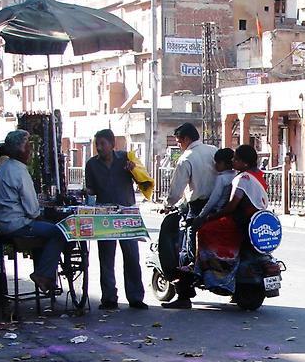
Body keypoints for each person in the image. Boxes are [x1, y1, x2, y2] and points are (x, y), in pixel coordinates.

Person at [193, 144, 269, 302]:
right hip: (255, 220)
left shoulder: (242, 178)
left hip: (239, 221)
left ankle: (210, 270)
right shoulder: (258, 174)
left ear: (244, 163)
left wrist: (207, 218)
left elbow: (231, 207)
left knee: (205, 230)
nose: (232, 161)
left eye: (236, 159)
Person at [0, 129, 65, 294]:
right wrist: (40, 214)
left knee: (45, 230)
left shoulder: (4, 168)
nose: (30, 151)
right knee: (60, 232)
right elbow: (32, 209)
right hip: (16, 225)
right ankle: (43, 275)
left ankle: (45, 276)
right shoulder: (19, 171)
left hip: (3, 223)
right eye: (27, 146)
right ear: (19, 149)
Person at [85, 128, 148, 310]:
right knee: (106, 257)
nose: (99, 147)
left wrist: (134, 171)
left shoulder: (126, 159)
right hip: (105, 216)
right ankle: (109, 298)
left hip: (127, 214)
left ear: (112, 144)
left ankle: (136, 297)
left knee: (131, 256)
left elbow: (144, 182)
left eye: (102, 144)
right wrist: (85, 193)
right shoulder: (92, 165)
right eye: (97, 144)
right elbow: (91, 189)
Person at [161, 122, 217, 309]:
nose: (178, 145)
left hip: (198, 208)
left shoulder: (186, 158)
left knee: (186, 250)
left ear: (185, 139)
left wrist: (167, 205)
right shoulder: (213, 150)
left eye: (178, 142)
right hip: (218, 207)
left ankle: (184, 295)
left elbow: (176, 190)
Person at [190, 148, 236, 256]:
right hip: (230, 214)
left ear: (224, 164)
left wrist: (201, 216)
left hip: (218, 211)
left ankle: (194, 261)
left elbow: (214, 199)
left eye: (217, 163)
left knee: (194, 231)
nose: (215, 166)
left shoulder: (222, 178)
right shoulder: (236, 176)